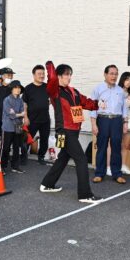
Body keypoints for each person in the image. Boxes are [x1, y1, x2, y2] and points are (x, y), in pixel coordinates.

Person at [40, 62, 100, 203]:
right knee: (81, 159)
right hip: (64, 131)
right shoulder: (55, 91)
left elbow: (86, 102)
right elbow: (52, 80)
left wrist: (98, 104)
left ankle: (47, 184)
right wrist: (50, 67)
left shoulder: (74, 92)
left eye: (70, 74)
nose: (69, 77)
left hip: (74, 131)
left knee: (63, 158)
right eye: (66, 74)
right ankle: (85, 195)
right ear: (59, 76)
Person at [90, 65, 128, 184]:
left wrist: (125, 123)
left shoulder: (120, 91)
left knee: (116, 147)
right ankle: (99, 173)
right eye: (111, 73)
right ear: (105, 74)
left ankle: (117, 174)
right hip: (103, 120)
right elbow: (93, 108)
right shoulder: (98, 89)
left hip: (117, 120)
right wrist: (94, 124)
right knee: (101, 147)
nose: (114, 76)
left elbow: (124, 108)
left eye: (116, 74)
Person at [23, 65, 51, 165]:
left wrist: (46, 104)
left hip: (45, 119)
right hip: (32, 119)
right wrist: (25, 117)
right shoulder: (28, 88)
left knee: (44, 139)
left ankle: (41, 157)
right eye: (39, 74)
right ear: (34, 75)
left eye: (43, 74)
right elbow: (24, 104)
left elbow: (51, 99)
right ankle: (23, 156)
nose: (42, 76)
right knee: (27, 139)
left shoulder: (47, 87)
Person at [1, 80, 25, 175]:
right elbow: (10, 114)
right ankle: (2, 167)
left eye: (19, 88)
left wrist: (17, 114)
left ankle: (15, 166)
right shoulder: (7, 100)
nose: (18, 89)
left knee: (16, 147)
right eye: (15, 87)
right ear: (11, 89)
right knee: (6, 148)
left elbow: (22, 113)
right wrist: (19, 114)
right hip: (7, 127)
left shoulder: (20, 100)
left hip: (18, 127)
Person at [118, 72, 130, 175]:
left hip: (129, 121)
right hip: (118, 121)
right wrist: (129, 99)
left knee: (126, 145)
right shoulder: (117, 91)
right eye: (127, 79)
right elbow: (118, 107)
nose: (129, 82)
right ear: (122, 80)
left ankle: (123, 165)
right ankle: (113, 165)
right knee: (116, 144)